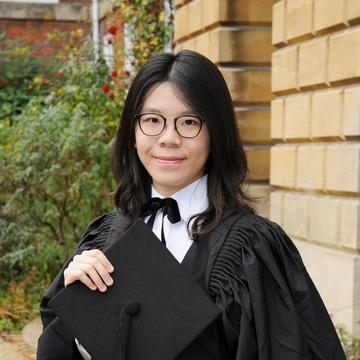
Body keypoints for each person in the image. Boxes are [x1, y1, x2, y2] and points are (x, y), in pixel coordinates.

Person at [37, 50, 346, 359]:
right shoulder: (104, 238)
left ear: (216, 134)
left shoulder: (252, 249)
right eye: (152, 120)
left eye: (188, 122)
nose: (169, 138)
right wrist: (78, 310)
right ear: (132, 134)